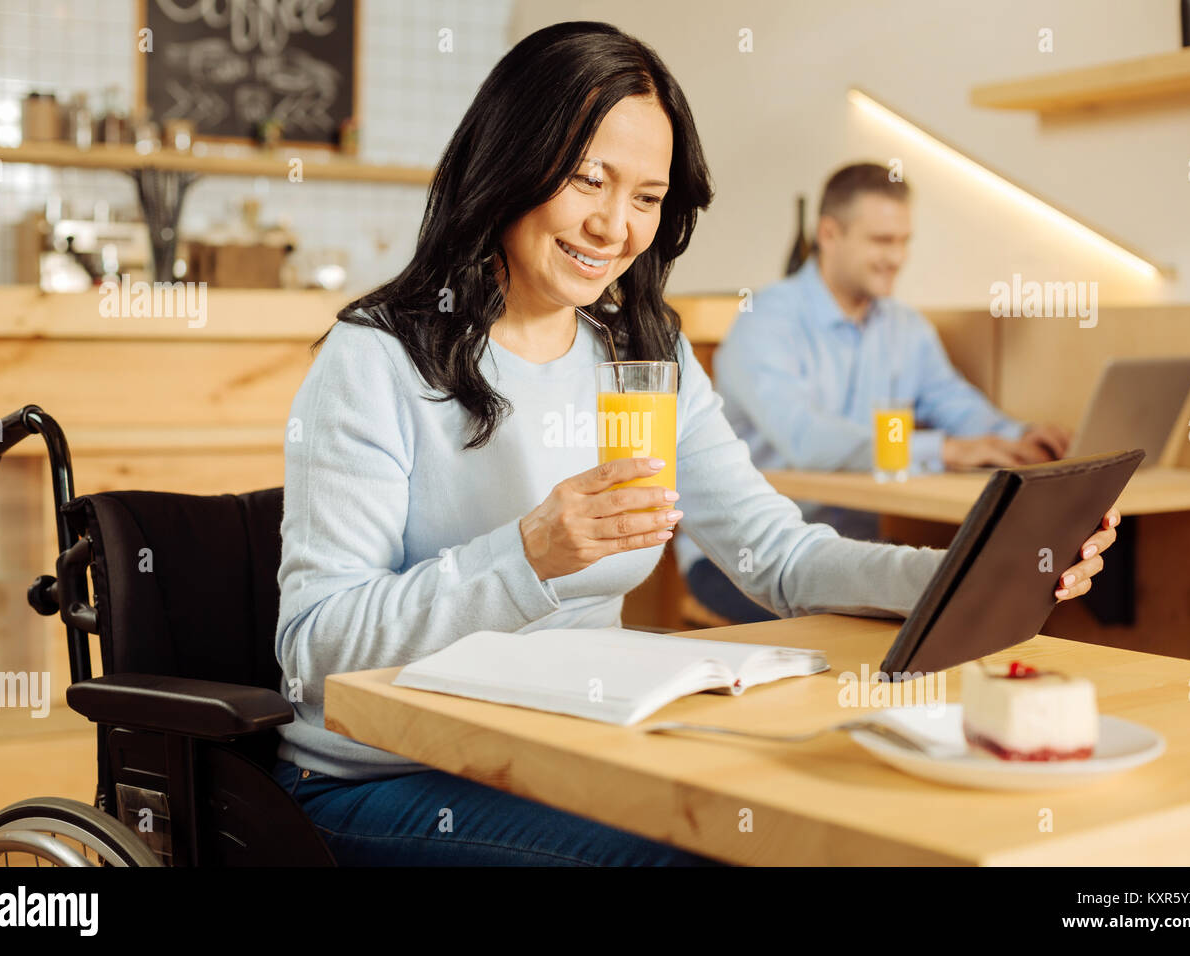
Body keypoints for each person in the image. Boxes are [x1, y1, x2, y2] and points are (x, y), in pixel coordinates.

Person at [271, 23, 1121, 866]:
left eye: (646, 198)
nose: (614, 226)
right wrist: (528, 554)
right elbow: (316, 650)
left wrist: (962, 573)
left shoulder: (641, 352)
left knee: (838, 830)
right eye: (585, 179)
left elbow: (778, 555)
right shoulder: (378, 356)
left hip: (568, 748)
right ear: (508, 163)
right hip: (385, 777)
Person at [678, 162, 1074, 624]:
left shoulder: (905, 328)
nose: (897, 257)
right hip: (753, 558)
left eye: (904, 241)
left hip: (855, 552)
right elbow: (806, 439)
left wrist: (1020, 437)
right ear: (829, 233)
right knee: (899, 629)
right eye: (881, 241)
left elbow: (955, 404)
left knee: (966, 609)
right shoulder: (765, 321)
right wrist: (943, 451)